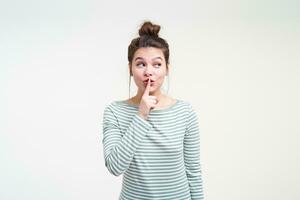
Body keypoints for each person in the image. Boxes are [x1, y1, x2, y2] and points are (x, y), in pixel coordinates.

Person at [101, 20, 204, 200]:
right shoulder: (114, 112)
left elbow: (193, 171)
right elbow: (114, 166)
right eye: (140, 64)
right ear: (131, 70)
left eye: (157, 64)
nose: (149, 71)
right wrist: (141, 115)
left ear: (167, 69)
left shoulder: (185, 112)